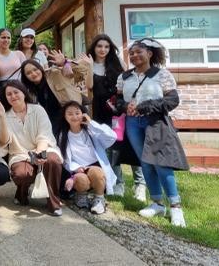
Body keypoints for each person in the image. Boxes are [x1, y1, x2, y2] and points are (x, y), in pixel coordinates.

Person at [116, 39, 189, 227]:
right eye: (131, 53)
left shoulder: (161, 75)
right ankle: (157, 203)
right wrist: (126, 106)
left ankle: (175, 206)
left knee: (161, 163)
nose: (134, 56)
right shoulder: (124, 77)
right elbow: (116, 101)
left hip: (155, 123)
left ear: (149, 54)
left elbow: (172, 100)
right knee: (145, 162)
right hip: (133, 124)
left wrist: (145, 106)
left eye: (138, 52)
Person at [84, 34, 146, 200]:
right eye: (99, 46)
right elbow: (89, 86)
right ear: (94, 48)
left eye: (106, 46)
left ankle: (140, 184)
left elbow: (129, 84)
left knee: (130, 145)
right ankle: (118, 183)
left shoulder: (117, 62)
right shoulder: (89, 64)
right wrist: (90, 66)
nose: (103, 49)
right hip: (100, 112)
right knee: (110, 149)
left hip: (120, 110)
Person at [1, 80, 64, 216]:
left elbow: (44, 134)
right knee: (22, 175)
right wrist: (1, 117)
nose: (13, 96)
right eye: (9, 94)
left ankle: (53, 202)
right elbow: (4, 142)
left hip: (44, 148)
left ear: (23, 93)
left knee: (53, 161)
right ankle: (21, 193)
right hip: (20, 154)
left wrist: (40, 152)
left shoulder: (38, 110)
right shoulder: (5, 116)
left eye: (16, 92)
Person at [55, 101, 117, 214]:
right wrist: (77, 168)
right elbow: (65, 159)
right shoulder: (62, 135)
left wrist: (91, 123)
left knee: (96, 172)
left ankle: (99, 198)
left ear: (83, 114)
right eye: (70, 114)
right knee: (81, 179)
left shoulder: (91, 131)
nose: (74, 117)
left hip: (96, 167)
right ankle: (81, 195)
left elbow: (112, 136)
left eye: (77, 113)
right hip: (79, 169)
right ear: (64, 116)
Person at [19, 52, 91, 128]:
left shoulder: (55, 73)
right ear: (25, 77)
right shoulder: (28, 91)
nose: (34, 74)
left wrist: (65, 62)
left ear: (40, 68)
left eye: (35, 69)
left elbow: (83, 69)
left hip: (75, 113)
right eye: (28, 73)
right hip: (53, 121)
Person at [0, 28, 26, 98]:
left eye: (8, 38)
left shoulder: (19, 54)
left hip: (19, 88)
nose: (6, 40)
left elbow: (26, 71)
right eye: (3, 37)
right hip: (2, 90)